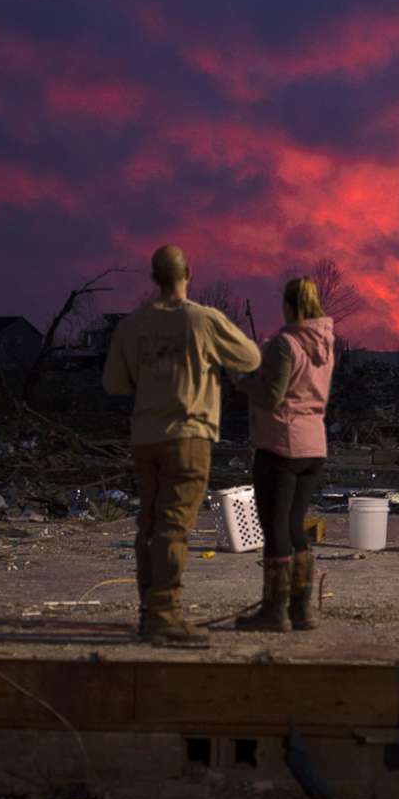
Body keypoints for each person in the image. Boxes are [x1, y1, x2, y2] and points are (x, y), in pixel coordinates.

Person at [102, 244, 260, 646]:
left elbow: (114, 384)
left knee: (149, 524)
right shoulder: (202, 320)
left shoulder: (131, 326)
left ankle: (148, 611)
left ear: (154, 278)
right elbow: (250, 356)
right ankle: (165, 617)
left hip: (146, 437)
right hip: (188, 437)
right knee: (174, 526)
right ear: (188, 272)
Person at [238, 275, 336, 632]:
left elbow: (272, 395)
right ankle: (301, 610)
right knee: (295, 525)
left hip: (281, 444)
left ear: (291, 305)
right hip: (314, 445)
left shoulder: (286, 343)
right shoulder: (324, 344)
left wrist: (242, 380)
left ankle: (274, 611)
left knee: (275, 526)